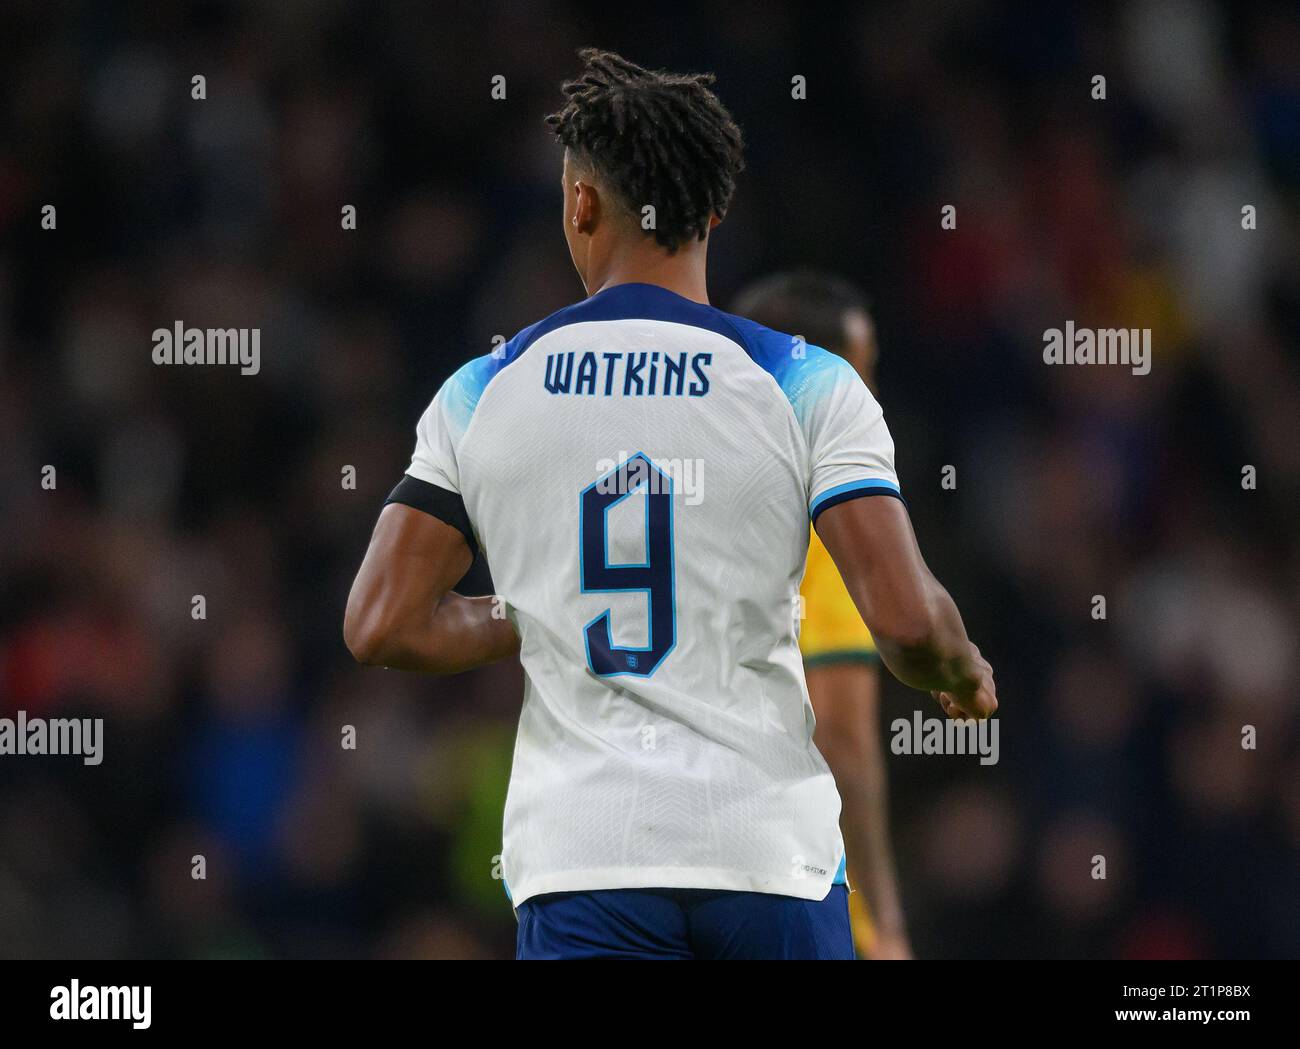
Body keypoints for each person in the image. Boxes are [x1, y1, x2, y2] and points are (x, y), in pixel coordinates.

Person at [344, 48, 996, 960]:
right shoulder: (807, 382)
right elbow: (904, 621)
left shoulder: (482, 388)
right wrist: (960, 669)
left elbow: (380, 622)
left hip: (585, 863)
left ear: (580, 203)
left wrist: (532, 611)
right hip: (769, 860)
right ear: (715, 212)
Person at [734, 272, 910, 959]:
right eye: (857, 378)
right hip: (772, 882)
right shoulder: (823, 520)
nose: (871, 403)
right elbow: (843, 739)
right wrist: (882, 924)